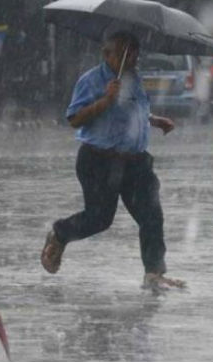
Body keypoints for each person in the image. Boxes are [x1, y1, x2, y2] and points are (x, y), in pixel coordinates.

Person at [40, 31, 185, 291]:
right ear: (107, 54)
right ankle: (60, 233)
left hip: (136, 162)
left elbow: (134, 110)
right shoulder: (92, 81)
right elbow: (74, 119)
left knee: (152, 215)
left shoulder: (134, 79)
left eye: (135, 54)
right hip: (99, 161)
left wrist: (154, 120)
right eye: (126, 53)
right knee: (99, 218)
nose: (133, 59)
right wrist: (105, 100)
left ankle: (153, 273)